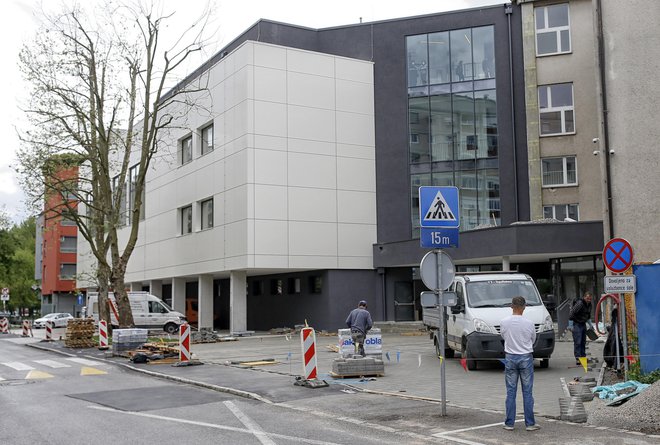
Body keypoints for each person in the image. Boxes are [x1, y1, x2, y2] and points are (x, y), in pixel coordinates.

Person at [500, 296, 540, 431]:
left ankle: (509, 423)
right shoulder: (529, 323)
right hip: (526, 357)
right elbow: (533, 339)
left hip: (510, 357)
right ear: (524, 307)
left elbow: (503, 336)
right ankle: (530, 424)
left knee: (511, 392)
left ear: (512, 306)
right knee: (527, 392)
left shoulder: (504, 322)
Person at [569, 291, 593, 365]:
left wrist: (590, 325)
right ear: (584, 297)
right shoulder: (580, 304)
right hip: (576, 324)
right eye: (587, 298)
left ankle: (583, 357)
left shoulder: (589, 305)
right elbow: (572, 313)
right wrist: (570, 325)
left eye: (590, 299)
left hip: (583, 324)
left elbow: (588, 316)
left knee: (583, 342)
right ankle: (578, 359)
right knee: (578, 342)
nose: (588, 300)